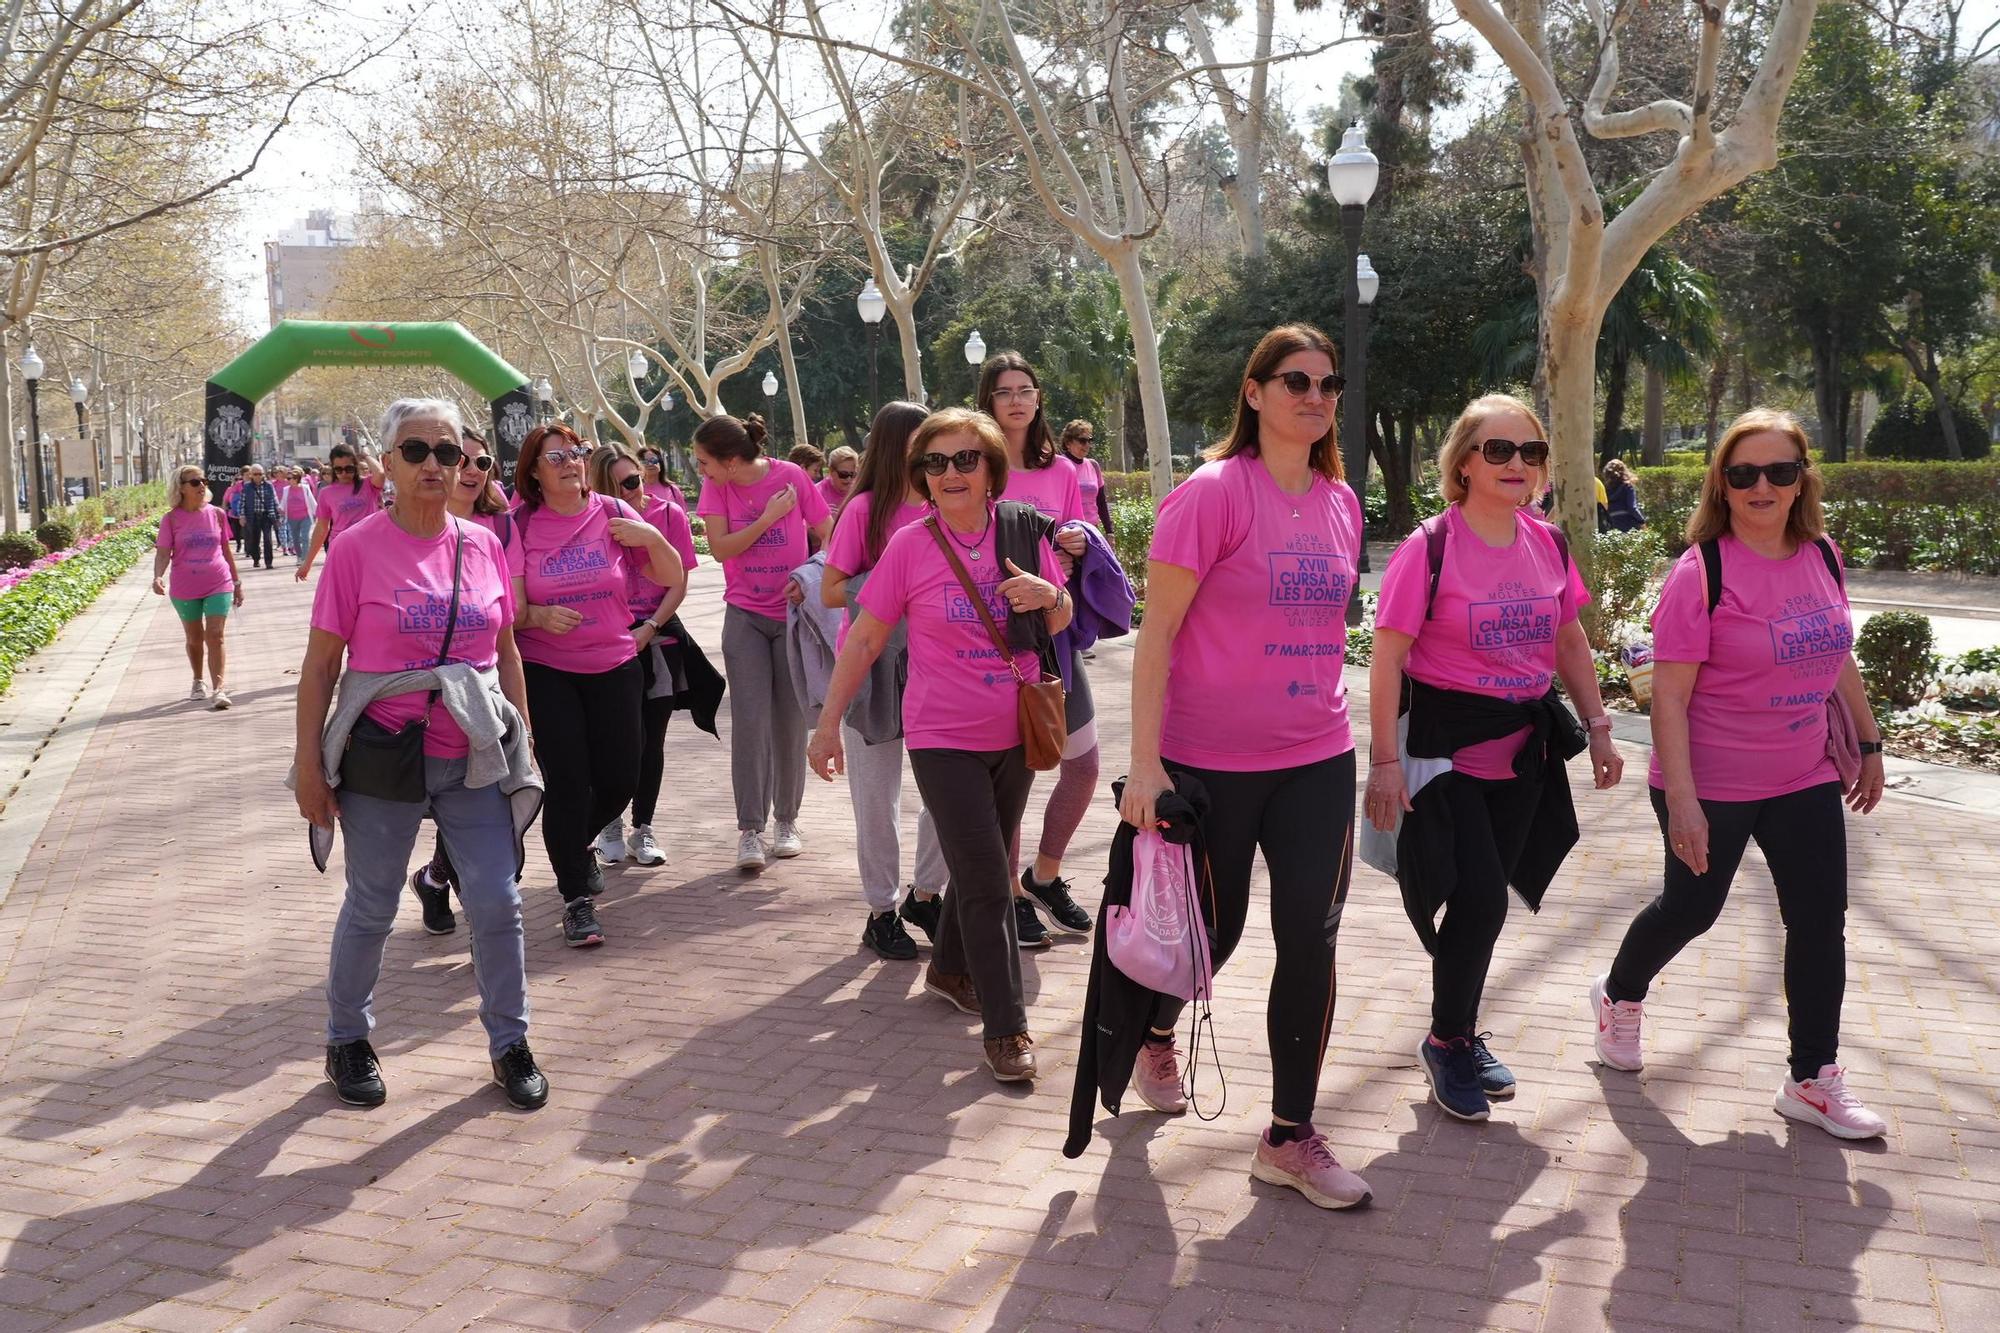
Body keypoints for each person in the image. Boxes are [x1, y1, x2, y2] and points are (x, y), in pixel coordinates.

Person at [1118, 323, 1372, 1210]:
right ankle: (1155, 1027)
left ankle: (1290, 1136)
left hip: (1317, 758)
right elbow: (1155, 642)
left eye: (1327, 382)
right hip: (1208, 763)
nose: (1314, 395)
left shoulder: (1342, 500)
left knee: (1312, 936)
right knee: (1210, 937)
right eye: (1294, 379)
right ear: (1254, 392)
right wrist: (1144, 768)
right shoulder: (1213, 493)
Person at [1592, 408, 1888, 1140]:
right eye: (1744, 472)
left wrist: (1873, 740)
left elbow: (1837, 651)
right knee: (1692, 909)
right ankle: (1618, 994)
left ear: (1801, 480)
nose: (1762, 485)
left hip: (1803, 771)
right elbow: (1669, 695)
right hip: (1711, 778)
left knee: (1820, 921)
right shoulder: (1703, 571)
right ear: (1721, 484)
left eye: (1779, 470)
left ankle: (1812, 1077)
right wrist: (1683, 802)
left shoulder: (1822, 553)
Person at [1367, 393, 1624, 1124]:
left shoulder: (1548, 542)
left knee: (1487, 904)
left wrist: (1599, 726)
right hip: (1445, 751)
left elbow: (1568, 639)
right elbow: (1387, 661)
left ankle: (1457, 1029)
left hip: (1523, 751)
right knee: (1478, 895)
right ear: (1465, 463)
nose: (1517, 464)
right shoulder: (1430, 546)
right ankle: (1449, 1040)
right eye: (1498, 450)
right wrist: (1385, 763)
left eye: (1531, 451)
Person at [292, 397, 548, 1111]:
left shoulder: (484, 545)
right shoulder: (355, 549)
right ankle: (347, 1036)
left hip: (474, 755)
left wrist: (524, 742)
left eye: (449, 452)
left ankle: (510, 1041)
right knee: (371, 905)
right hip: (384, 757)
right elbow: (320, 670)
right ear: (389, 464)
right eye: (417, 451)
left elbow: (506, 651)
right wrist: (310, 766)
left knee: (497, 901)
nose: (436, 464)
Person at [808, 408, 1072, 1082]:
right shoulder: (909, 546)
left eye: (965, 459)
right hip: (941, 735)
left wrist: (1048, 594)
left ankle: (952, 968)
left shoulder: (1018, 528)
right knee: (989, 875)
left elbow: (1062, 611)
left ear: (990, 469)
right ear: (920, 474)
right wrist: (827, 722)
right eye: (936, 462)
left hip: (1017, 728)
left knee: (974, 864)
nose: (950, 472)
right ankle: (1006, 1029)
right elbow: (865, 637)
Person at [511, 423, 683, 947]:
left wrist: (651, 538)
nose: (571, 462)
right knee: (566, 783)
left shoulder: (611, 512)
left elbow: (673, 576)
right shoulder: (519, 524)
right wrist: (538, 616)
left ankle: (570, 846)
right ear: (535, 471)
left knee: (620, 779)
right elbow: (511, 611)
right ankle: (575, 900)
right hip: (548, 669)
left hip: (614, 662)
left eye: (577, 452)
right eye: (556, 456)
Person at [820, 402, 949, 961]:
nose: (934, 456)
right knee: (877, 798)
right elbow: (830, 589)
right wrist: (901, 580)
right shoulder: (866, 509)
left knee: (950, 791)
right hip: (871, 664)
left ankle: (926, 894)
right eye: (923, 443)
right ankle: (881, 910)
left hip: (942, 665)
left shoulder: (950, 503)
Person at [976, 352, 1096, 948]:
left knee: (1084, 763)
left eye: (1026, 390)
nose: (1018, 400)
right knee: (1017, 773)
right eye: (1005, 392)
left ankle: (1044, 875)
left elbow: (1075, 544)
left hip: (1058, 630)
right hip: (999, 641)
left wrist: (1076, 539)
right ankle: (1012, 895)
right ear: (988, 401)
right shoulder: (977, 467)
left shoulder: (1061, 471)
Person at [694, 412, 832, 870]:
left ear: (731, 461)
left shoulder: (790, 475)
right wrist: (770, 516)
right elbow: (721, 549)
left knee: (789, 723)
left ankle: (786, 821)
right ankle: (750, 829)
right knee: (750, 723)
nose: (702, 472)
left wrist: (809, 577)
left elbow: (828, 533)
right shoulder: (719, 488)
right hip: (745, 617)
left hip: (792, 616)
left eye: (705, 462)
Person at [407, 427, 520, 935]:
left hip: (501, 682)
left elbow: (512, 617)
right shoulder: (401, 537)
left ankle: (443, 884)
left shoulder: (500, 530)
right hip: (428, 714)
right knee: (461, 811)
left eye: (482, 462)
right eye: (463, 459)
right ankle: (443, 884)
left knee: (489, 814)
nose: (473, 470)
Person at [585, 443, 698, 869]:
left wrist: (649, 628)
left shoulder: (668, 516)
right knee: (614, 743)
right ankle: (609, 824)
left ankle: (643, 827)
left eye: (633, 481)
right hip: (605, 646)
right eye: (615, 486)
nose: (629, 492)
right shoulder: (590, 521)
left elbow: (678, 581)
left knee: (651, 741)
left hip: (657, 639)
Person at [152, 465, 243, 708]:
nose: (202, 485)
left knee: (215, 635)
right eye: (194, 482)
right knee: (194, 638)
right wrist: (158, 576)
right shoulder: (170, 519)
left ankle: (219, 689)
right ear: (180, 488)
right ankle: (197, 679)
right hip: (185, 586)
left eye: (204, 481)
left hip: (218, 581)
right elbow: (163, 553)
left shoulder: (216, 514)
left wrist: (236, 582)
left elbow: (225, 550)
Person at [297, 442, 386, 581]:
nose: (344, 473)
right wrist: (307, 563)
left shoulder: (367, 485)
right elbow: (321, 528)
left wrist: (366, 456)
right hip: (341, 549)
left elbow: (380, 473)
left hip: (369, 547)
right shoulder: (326, 493)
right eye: (338, 469)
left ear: (356, 466)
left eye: (349, 468)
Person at [1060, 419, 1112, 531]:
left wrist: (1109, 531)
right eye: (1082, 441)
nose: (1087, 445)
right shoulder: (1059, 466)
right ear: (1068, 442)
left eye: (1090, 440)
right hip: (1069, 530)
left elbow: (1101, 501)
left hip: (1092, 529)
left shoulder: (1094, 465)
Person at [238, 464, 280, 569]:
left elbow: (275, 500)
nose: (258, 476)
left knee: (268, 539)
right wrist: (242, 516)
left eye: (260, 474)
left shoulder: (269, 485)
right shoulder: (247, 487)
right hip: (253, 516)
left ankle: (268, 562)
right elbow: (242, 502)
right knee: (254, 539)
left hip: (266, 516)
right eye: (255, 474)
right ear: (251, 475)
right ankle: (256, 559)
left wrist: (278, 515)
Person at [1601, 458, 1646, 531]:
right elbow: (1632, 507)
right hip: (1629, 523)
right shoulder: (1627, 487)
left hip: (1613, 522)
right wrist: (1641, 521)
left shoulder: (1606, 489)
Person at [819, 445, 859, 515]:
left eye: (853, 474)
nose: (849, 479)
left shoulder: (858, 491)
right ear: (831, 471)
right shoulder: (818, 493)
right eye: (844, 474)